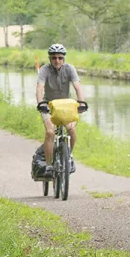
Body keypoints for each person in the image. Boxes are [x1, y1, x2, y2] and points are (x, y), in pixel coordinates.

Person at [35, 44, 88, 176]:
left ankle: (68, 157)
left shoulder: (69, 68)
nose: (57, 60)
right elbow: (39, 88)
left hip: (66, 105)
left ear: (63, 59)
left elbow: (77, 87)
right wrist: (41, 103)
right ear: (50, 58)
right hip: (48, 105)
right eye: (54, 58)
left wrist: (81, 102)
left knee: (72, 131)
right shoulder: (44, 70)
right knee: (50, 132)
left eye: (60, 58)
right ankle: (48, 165)